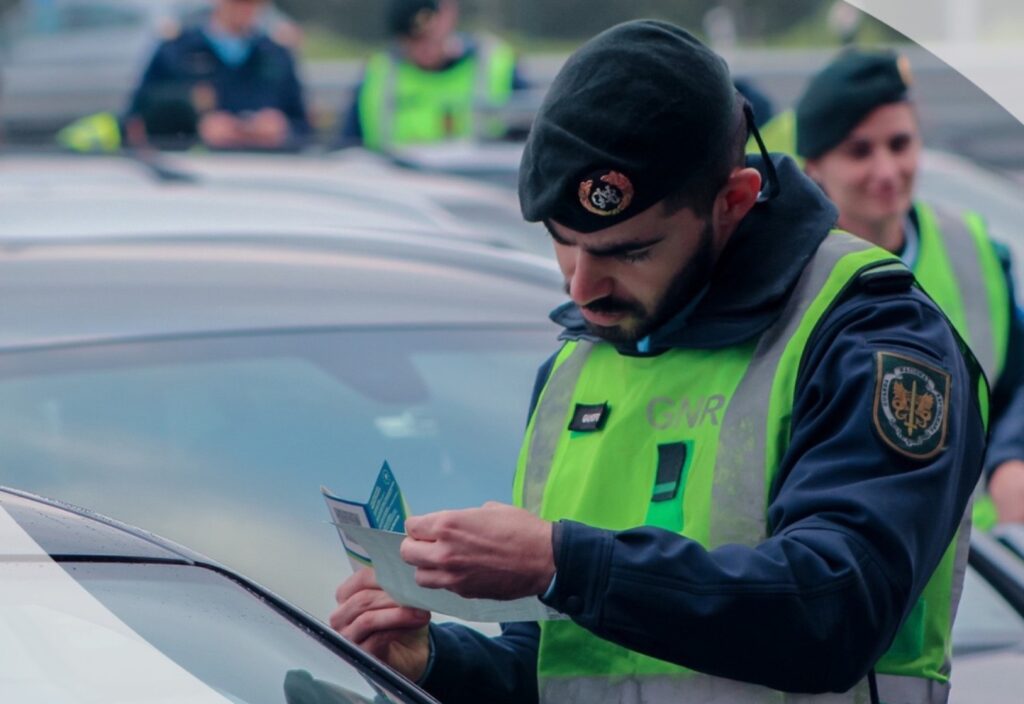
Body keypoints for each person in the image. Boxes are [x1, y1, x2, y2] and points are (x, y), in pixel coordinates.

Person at [330, 21, 985, 703]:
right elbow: (563, 665)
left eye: (630, 251)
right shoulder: (577, 366)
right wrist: (436, 663)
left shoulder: (870, 333)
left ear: (733, 200)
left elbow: (831, 613)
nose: (581, 288)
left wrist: (560, 561)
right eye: (564, 243)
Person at [795, 48, 1024, 525]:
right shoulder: (785, 273)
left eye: (900, 144)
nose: (886, 171)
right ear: (813, 166)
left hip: (978, 559)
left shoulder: (976, 251)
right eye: (859, 151)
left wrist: (1010, 458)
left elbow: (1015, 384)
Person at [337, 0, 526, 151]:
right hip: (402, 189)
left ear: (449, 12)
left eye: (429, 35)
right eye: (412, 40)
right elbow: (347, 150)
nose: (423, 47)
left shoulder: (495, 65)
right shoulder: (378, 76)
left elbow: (531, 145)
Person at [122, 0, 310, 150]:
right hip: (197, 170)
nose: (244, 8)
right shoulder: (176, 51)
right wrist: (197, 127)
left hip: (266, 170)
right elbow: (140, 119)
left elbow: (304, 126)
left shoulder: (276, 55)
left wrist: (283, 128)